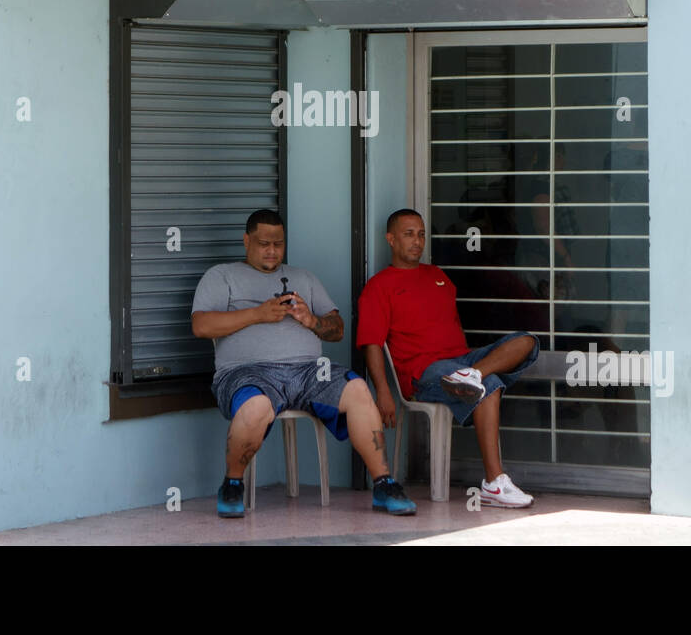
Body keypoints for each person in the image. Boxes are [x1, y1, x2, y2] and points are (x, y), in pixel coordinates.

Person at [191, 208, 416, 519]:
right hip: (247, 373)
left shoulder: (304, 277)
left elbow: (337, 329)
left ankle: (384, 484)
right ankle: (232, 484)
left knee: (358, 390)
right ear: (246, 241)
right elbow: (201, 326)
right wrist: (258, 314)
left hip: (311, 372)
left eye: (278, 244)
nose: (272, 251)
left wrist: (311, 320)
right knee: (255, 407)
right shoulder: (222, 276)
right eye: (263, 243)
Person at [357, 208, 540, 507]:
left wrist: (469, 367)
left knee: (527, 341)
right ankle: (495, 483)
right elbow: (372, 344)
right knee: (490, 383)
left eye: (421, 234)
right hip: (424, 372)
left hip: (463, 361)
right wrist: (383, 391)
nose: (417, 241)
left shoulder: (437, 276)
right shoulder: (379, 286)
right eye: (408, 234)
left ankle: (473, 375)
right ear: (390, 239)